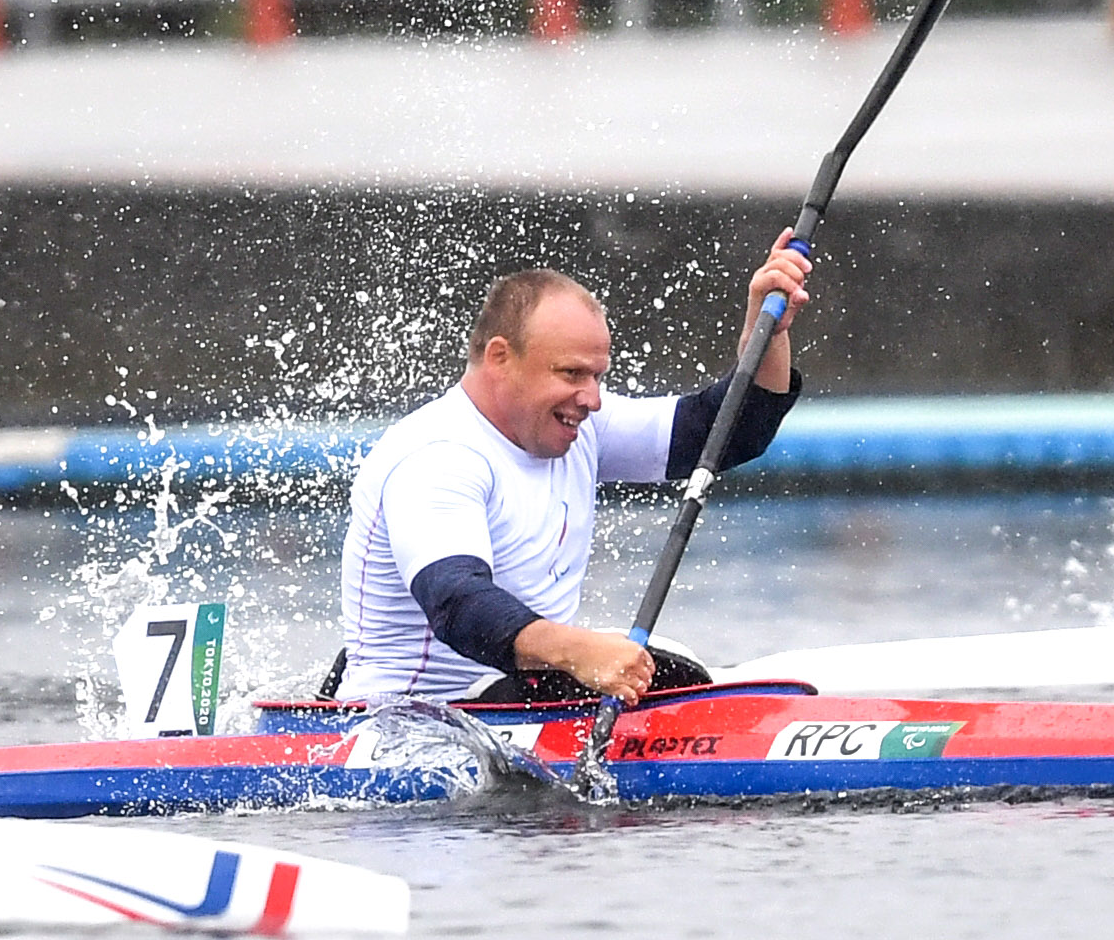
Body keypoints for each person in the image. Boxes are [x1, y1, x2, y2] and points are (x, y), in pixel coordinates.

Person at [336, 236, 815, 705]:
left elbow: (728, 433)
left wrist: (765, 334)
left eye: (597, 375)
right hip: (409, 720)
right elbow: (457, 603)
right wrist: (580, 651)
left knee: (672, 664)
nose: (592, 398)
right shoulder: (438, 456)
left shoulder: (580, 427)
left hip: (522, 700)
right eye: (571, 374)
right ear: (500, 357)